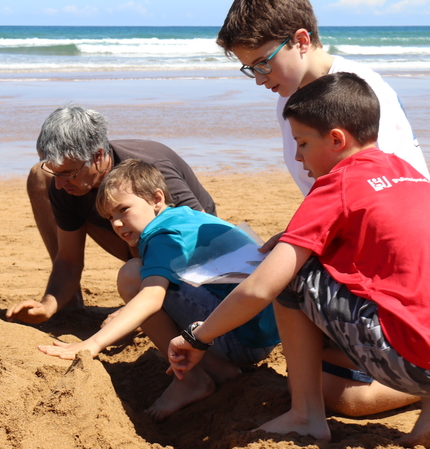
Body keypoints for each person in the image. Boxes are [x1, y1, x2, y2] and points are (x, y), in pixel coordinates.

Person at [167, 73, 430, 448]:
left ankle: (305, 416)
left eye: (302, 143)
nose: (298, 156)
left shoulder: (337, 184)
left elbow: (259, 289)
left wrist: (198, 337)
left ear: (337, 139)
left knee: (292, 274)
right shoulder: (409, 173)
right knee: (321, 272)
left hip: (418, 364)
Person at [37, 159, 279, 420]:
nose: (116, 223)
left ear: (156, 198)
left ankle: (191, 379)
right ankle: (219, 368)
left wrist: (92, 344)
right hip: (261, 333)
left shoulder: (162, 235)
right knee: (148, 276)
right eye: (110, 217)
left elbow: (152, 297)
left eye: (123, 210)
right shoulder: (184, 218)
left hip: (241, 339)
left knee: (132, 275)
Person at [216, 0, 430, 196]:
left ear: (301, 41)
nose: (259, 79)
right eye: (251, 69)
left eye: (263, 64)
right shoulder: (288, 102)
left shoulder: (361, 91)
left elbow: (396, 188)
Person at [7, 106, 216, 324]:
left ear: (98, 155)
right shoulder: (65, 185)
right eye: (56, 173)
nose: (59, 184)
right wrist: (47, 306)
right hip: (135, 243)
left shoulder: (151, 168)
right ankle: (69, 302)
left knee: (138, 266)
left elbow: (204, 243)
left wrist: (137, 308)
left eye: (68, 173)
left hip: (187, 249)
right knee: (40, 176)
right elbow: (68, 261)